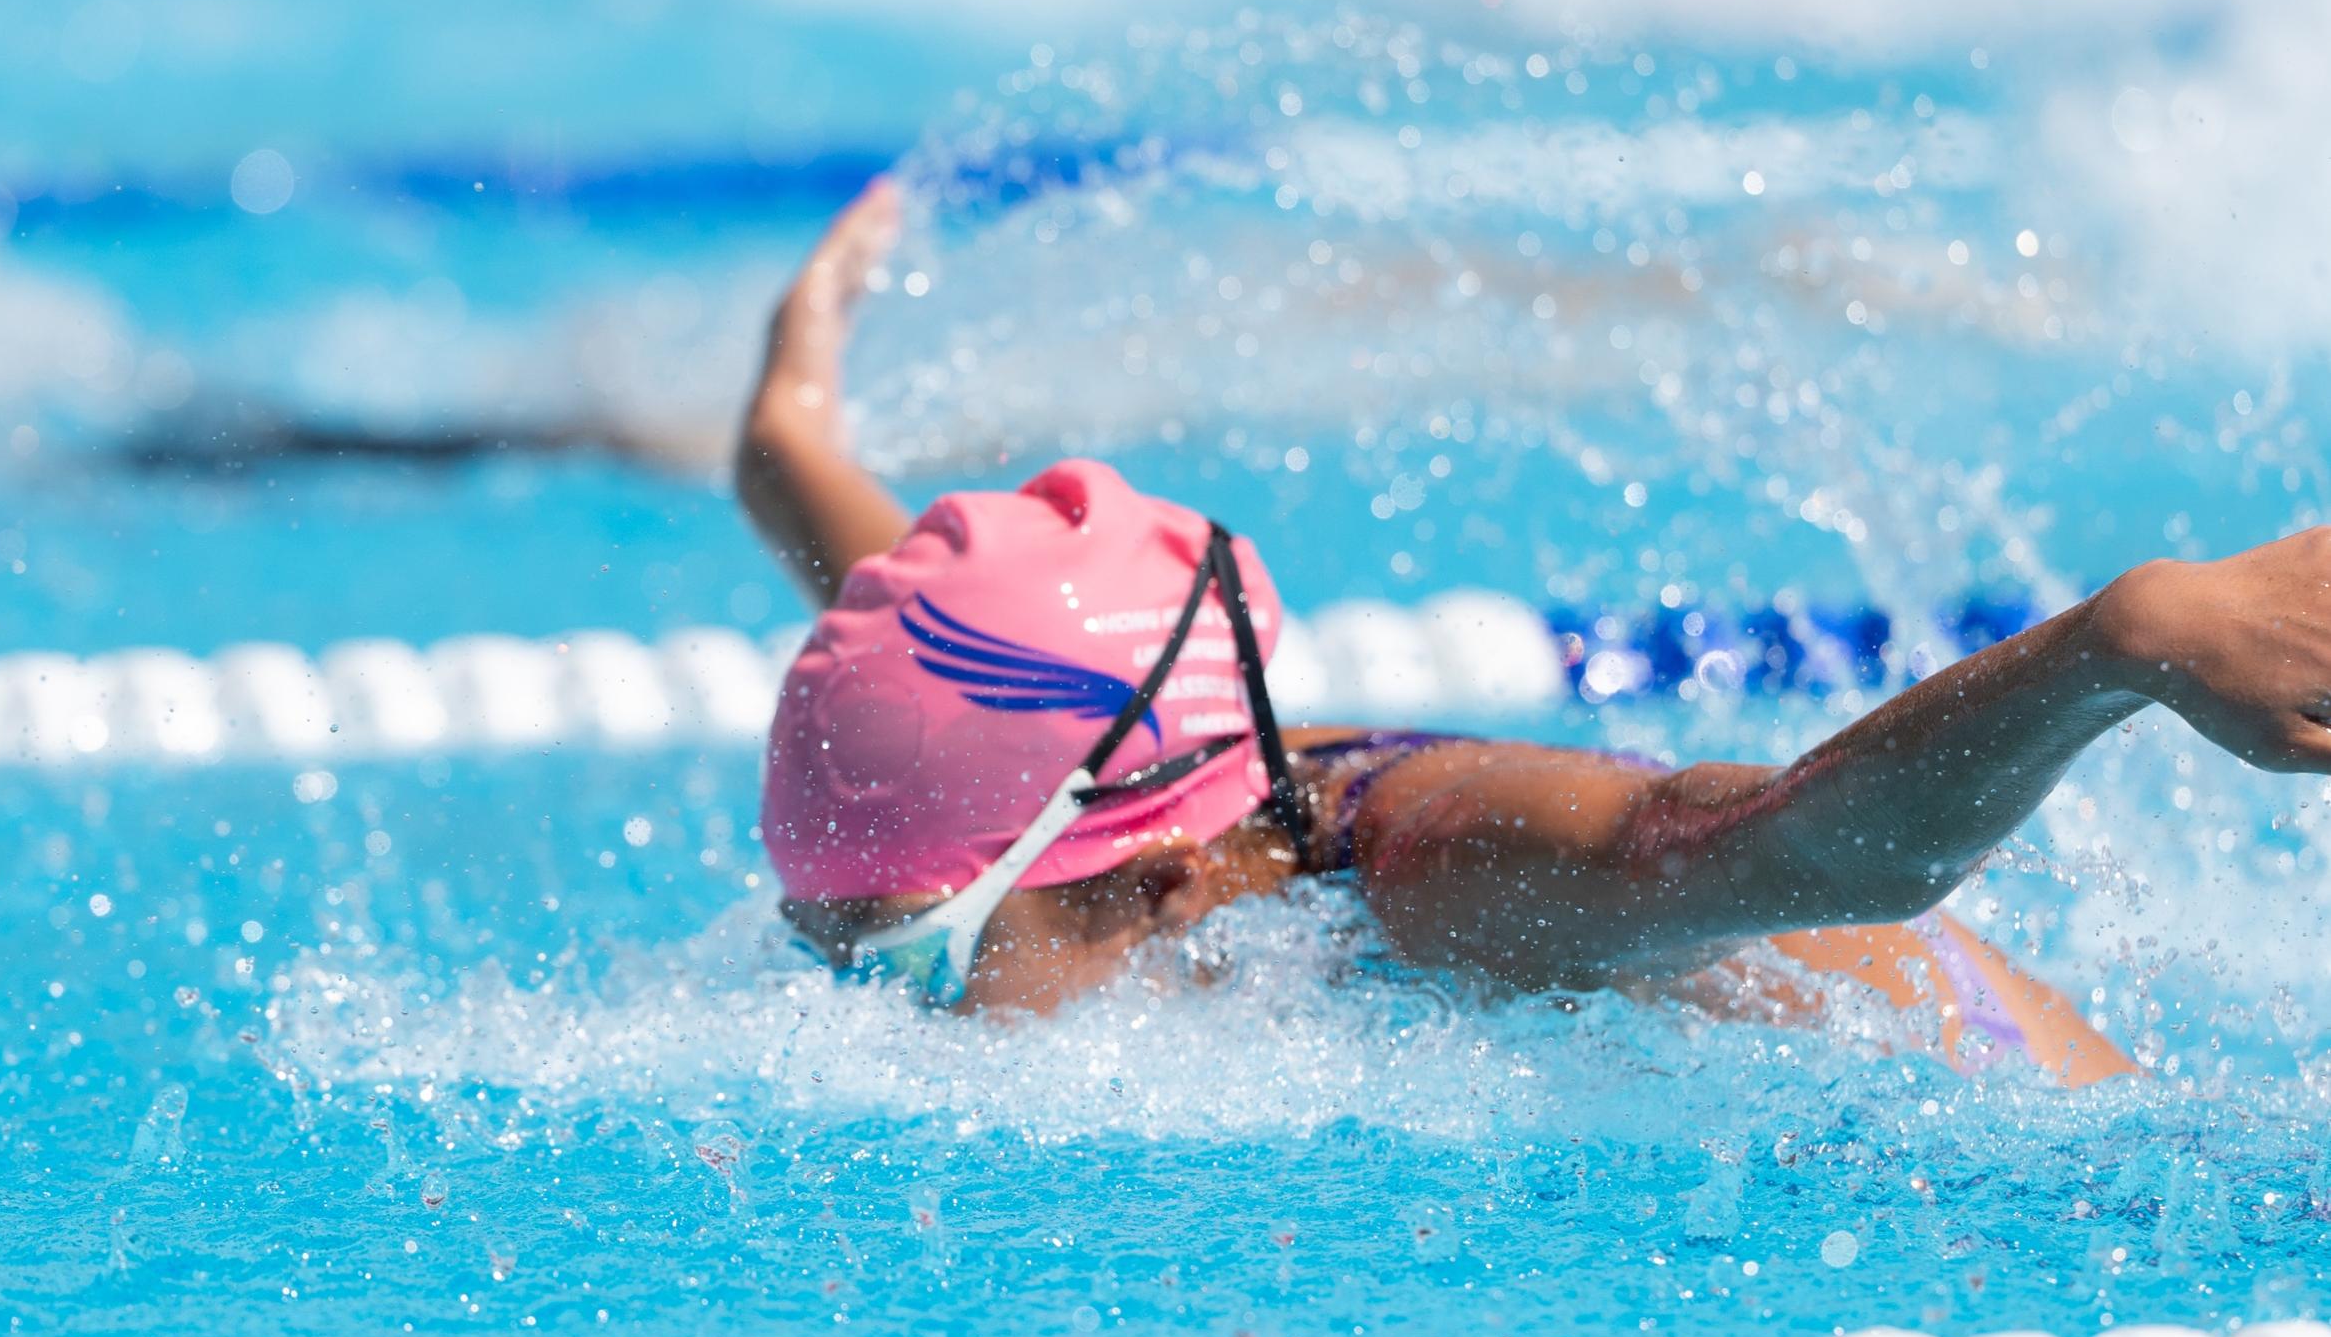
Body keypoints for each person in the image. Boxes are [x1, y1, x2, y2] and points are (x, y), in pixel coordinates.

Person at [734, 181, 2331, 1087]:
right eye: (828, 946)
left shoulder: (1438, 877)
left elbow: (1797, 854)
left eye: (910, 961)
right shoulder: (1072, 752)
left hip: (2062, 1149)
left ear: (1160, 885)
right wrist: (787, 414)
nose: (855, 1010)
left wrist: (2121, 644)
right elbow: (912, 621)